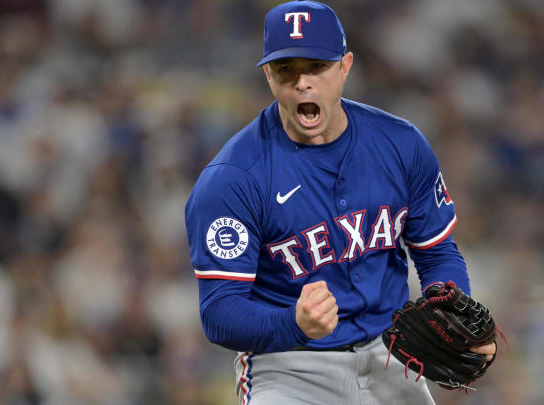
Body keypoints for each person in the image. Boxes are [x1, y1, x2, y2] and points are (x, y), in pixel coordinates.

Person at [184, 1, 496, 404]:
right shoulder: (233, 178)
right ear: (267, 75)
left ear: (345, 66)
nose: (302, 83)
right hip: (289, 366)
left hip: (391, 358)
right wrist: (292, 323)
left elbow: (436, 252)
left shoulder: (400, 145)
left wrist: (448, 310)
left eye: (316, 66)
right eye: (286, 70)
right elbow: (219, 313)